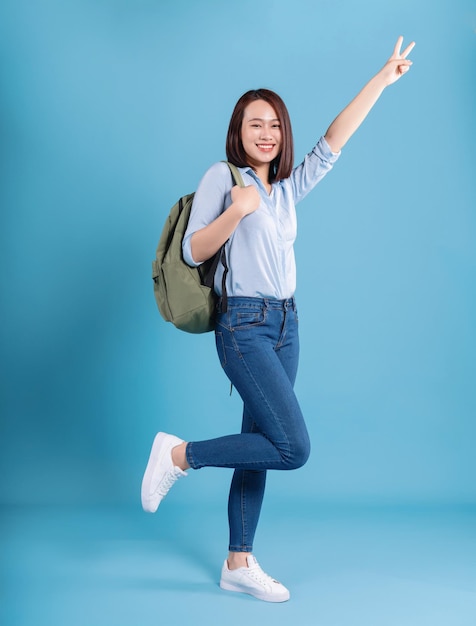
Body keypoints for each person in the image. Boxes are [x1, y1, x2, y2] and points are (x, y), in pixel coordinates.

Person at [141, 36, 415, 603]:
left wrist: (381, 80)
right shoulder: (226, 177)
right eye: (253, 124)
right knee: (292, 446)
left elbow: (335, 139)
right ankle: (177, 454)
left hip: (287, 326)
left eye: (274, 125)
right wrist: (237, 213)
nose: (265, 133)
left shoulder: (286, 190)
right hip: (243, 326)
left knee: (259, 438)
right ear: (238, 134)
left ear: (282, 134)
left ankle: (239, 560)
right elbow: (193, 251)